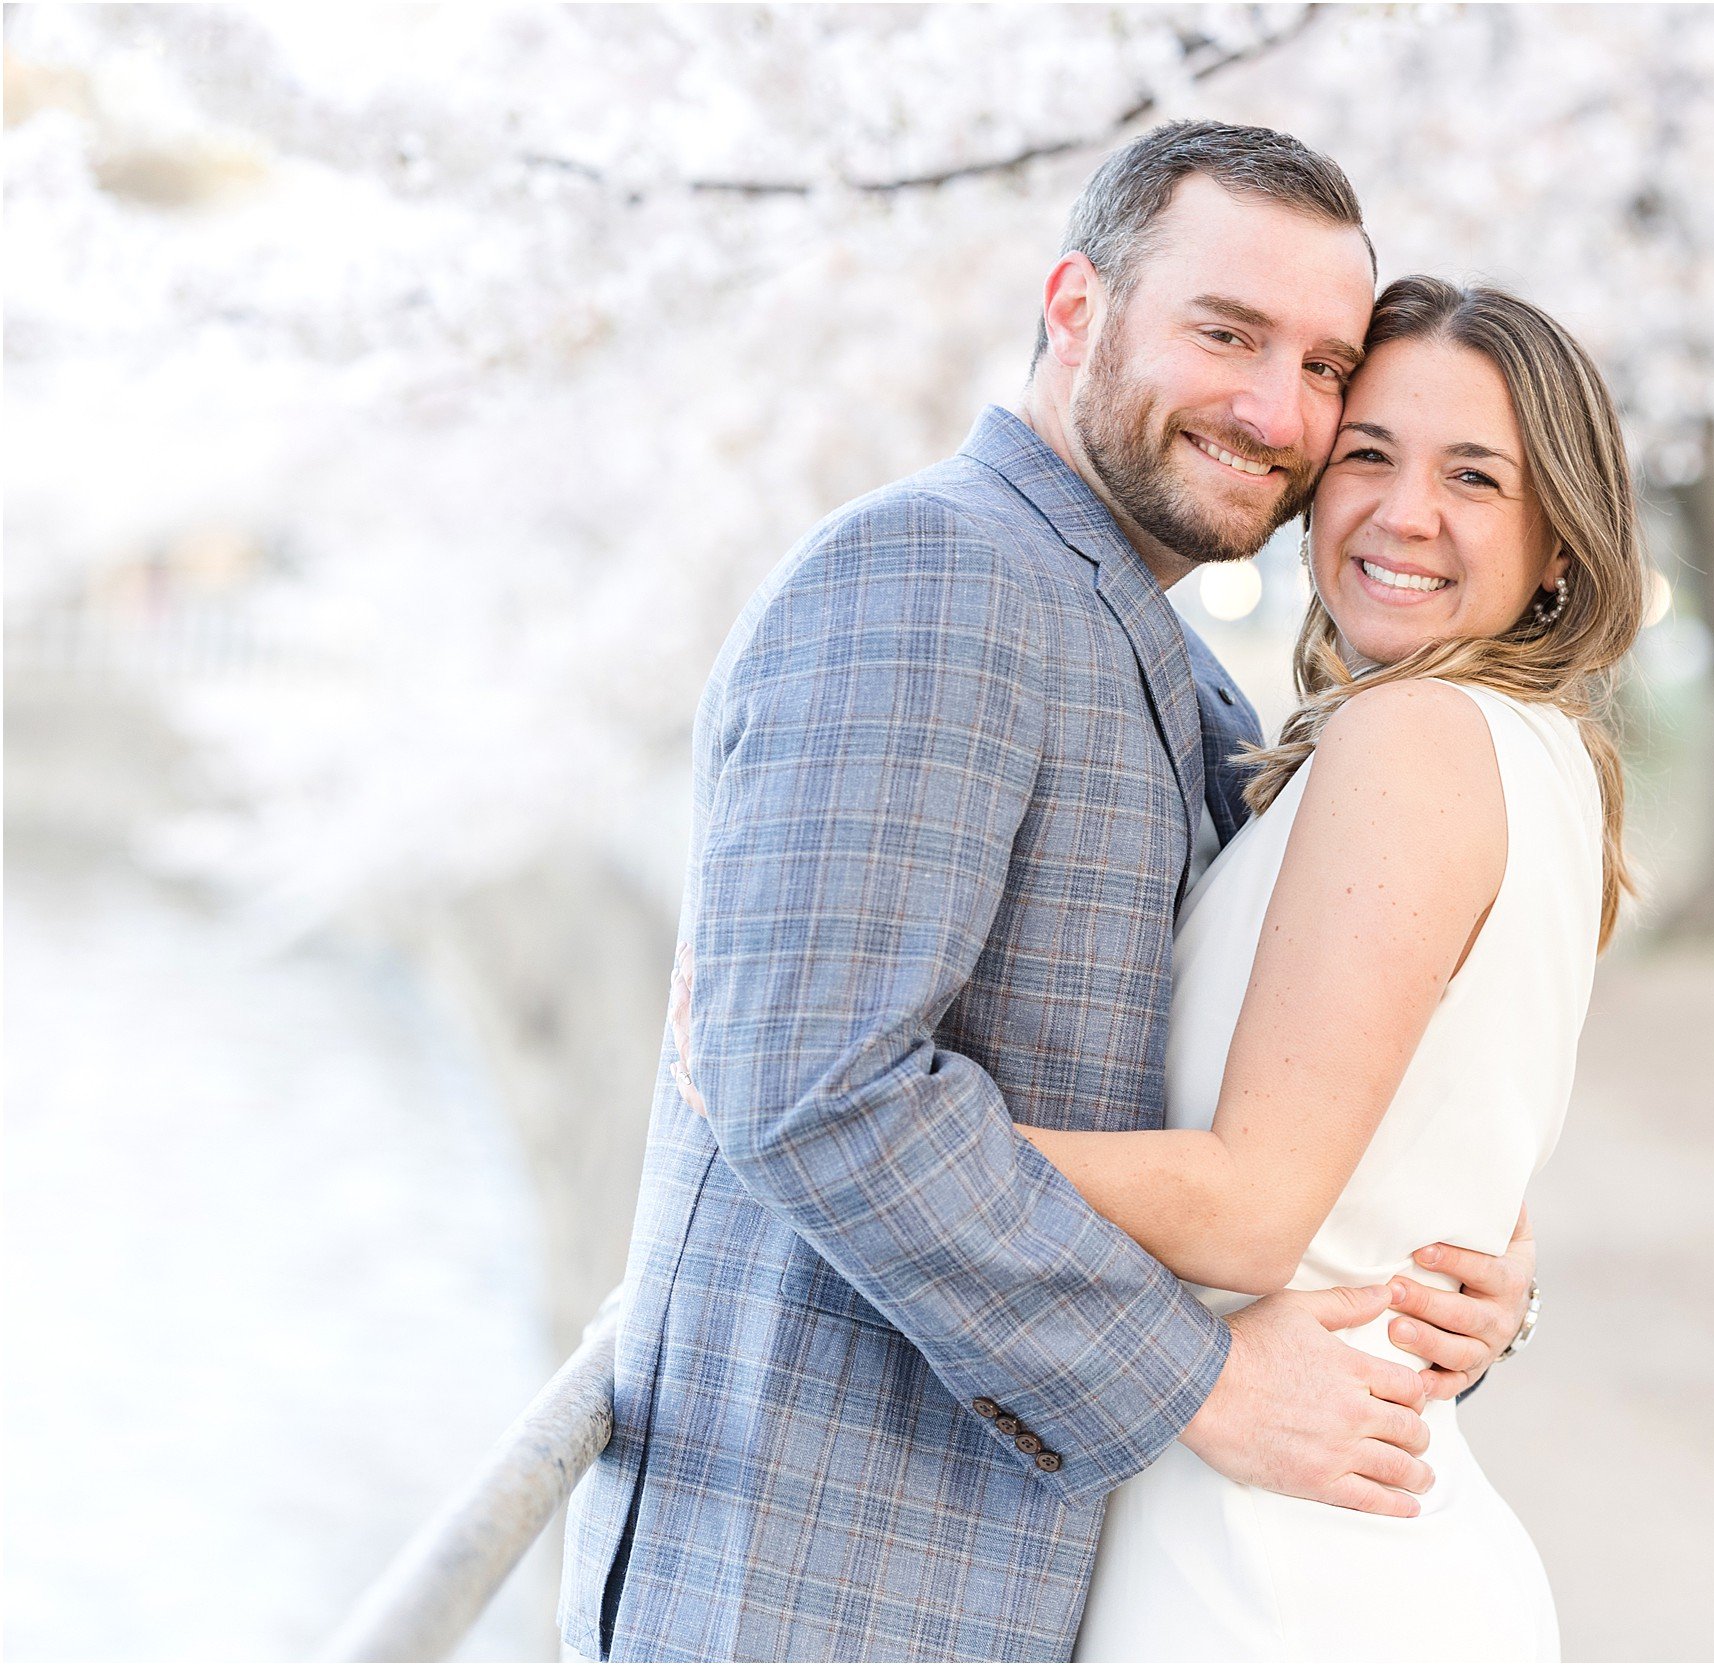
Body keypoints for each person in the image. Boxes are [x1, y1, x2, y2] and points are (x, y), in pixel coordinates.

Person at [559, 122, 1539, 1664]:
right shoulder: (922, 575)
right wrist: (1203, 1380)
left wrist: (1459, 1273)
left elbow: (1267, 1106)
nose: (1276, 408)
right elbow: (817, 1090)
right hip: (825, 1583)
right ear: (1076, 306)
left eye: (1323, 365)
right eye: (1228, 334)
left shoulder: (1199, 698)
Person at [1033, 276, 1644, 1662]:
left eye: (1474, 476)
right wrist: (1497, 1283)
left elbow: (1252, 1212)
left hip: (1278, 1571)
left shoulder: (1416, 740)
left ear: (1560, 540)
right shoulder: (1536, 756)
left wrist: (879, 1117)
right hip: (1339, 1532)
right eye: (1367, 452)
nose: (1402, 510)